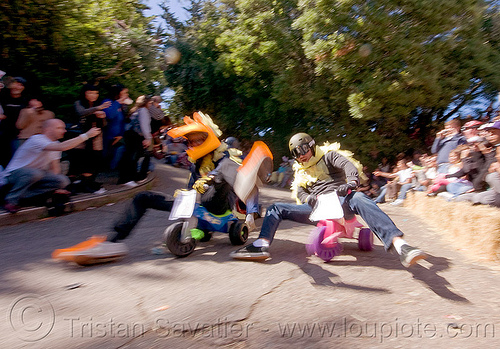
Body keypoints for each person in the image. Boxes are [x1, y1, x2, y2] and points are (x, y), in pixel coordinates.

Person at [53, 112, 269, 264]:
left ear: (209, 139)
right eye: (190, 142)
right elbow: (191, 187)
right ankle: (112, 242)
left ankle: (237, 187)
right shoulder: (196, 163)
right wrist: (187, 192)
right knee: (143, 197)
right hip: (195, 203)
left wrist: (212, 178)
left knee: (223, 174)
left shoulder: (226, 158)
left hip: (217, 205)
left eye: (197, 141)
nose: (192, 145)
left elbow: (225, 172)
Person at [230, 132, 427, 268]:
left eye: (303, 150)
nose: (301, 156)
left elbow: (348, 166)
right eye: (296, 154)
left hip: (341, 201)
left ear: (312, 146)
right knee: (275, 208)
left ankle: (400, 245)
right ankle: (261, 245)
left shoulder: (329, 156)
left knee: (359, 198)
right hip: (317, 207)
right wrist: (309, 198)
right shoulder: (300, 170)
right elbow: (299, 191)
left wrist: (350, 183)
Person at [0, 119, 100, 213]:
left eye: (64, 128)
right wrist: (86, 135)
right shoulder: (36, 139)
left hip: (35, 176)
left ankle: (23, 197)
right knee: (36, 173)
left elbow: (54, 168)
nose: (64, 131)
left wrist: (57, 187)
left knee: (63, 180)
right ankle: (11, 200)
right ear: (48, 129)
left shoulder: (55, 143)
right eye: (59, 128)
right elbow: (62, 147)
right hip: (13, 175)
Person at [71, 84, 111, 193]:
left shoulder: (99, 104)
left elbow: (104, 123)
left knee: (95, 159)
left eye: (96, 93)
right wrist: (97, 109)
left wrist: (102, 117)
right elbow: (81, 113)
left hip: (97, 135)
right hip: (82, 136)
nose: (94, 95)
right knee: (81, 160)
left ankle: (89, 183)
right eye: (91, 93)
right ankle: (80, 185)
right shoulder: (79, 103)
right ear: (85, 93)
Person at [118, 95, 153, 186]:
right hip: (135, 135)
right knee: (133, 157)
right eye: (149, 103)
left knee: (130, 156)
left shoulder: (135, 110)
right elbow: (144, 125)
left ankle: (130, 177)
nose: (150, 105)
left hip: (130, 134)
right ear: (145, 103)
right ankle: (127, 178)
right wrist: (148, 138)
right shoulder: (144, 111)